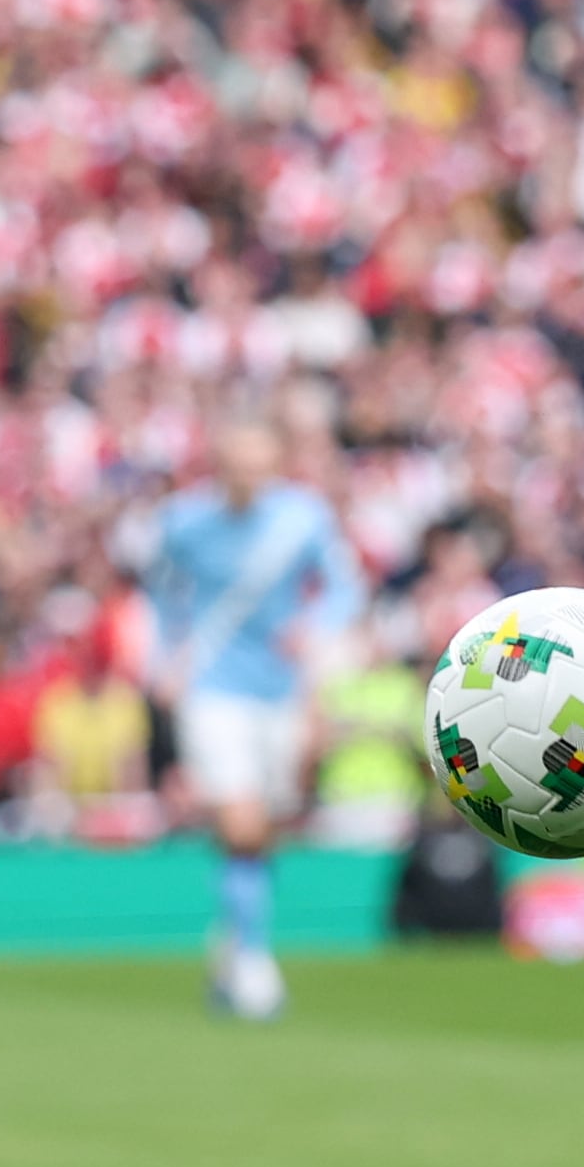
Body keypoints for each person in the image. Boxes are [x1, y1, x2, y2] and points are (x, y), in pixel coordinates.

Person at [144, 418, 362, 1021]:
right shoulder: (183, 521)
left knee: (262, 828)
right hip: (214, 688)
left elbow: (345, 588)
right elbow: (159, 591)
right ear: (218, 468)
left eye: (259, 469)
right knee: (239, 821)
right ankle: (255, 963)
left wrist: (314, 631)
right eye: (238, 469)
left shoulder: (303, 517)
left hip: (281, 689)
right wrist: (166, 657)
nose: (248, 481)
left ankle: (233, 940)